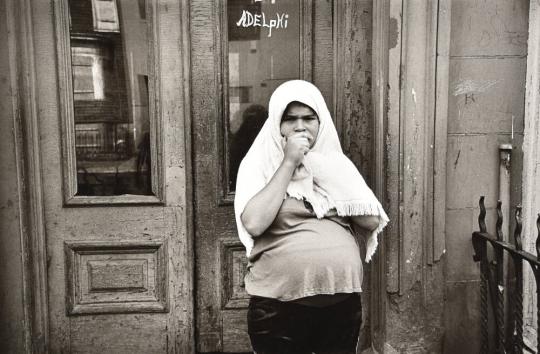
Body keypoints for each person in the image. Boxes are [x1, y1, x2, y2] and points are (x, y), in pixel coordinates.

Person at [234, 80, 389, 354]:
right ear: (277, 125)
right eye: (290, 119)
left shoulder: (336, 164)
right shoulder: (259, 163)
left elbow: (371, 221)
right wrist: (290, 162)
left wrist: (328, 177)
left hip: (340, 306)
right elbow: (254, 223)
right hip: (279, 310)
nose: (300, 126)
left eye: (309, 118)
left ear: (322, 122)